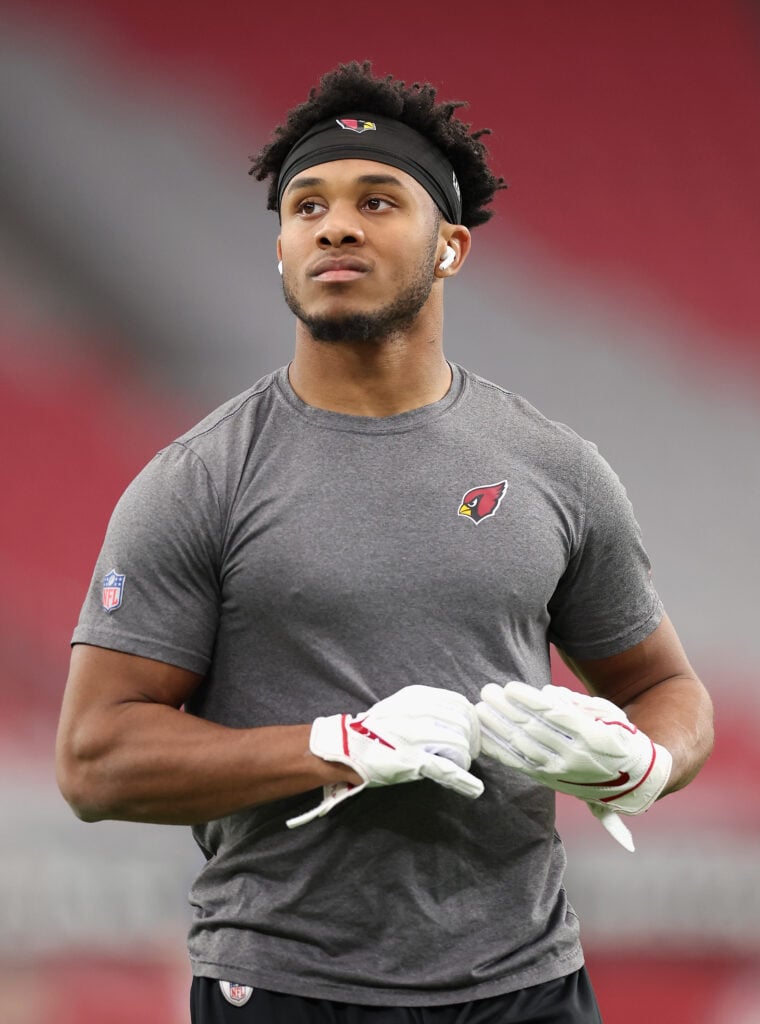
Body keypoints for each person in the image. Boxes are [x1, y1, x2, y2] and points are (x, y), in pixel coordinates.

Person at [56, 61, 714, 1024]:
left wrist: (646, 764)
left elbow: (667, 690)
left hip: (526, 985)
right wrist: (337, 746)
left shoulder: (555, 469)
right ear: (280, 247)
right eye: (306, 206)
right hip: (286, 987)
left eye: (377, 200)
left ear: (450, 247)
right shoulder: (198, 479)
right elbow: (94, 759)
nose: (334, 225)